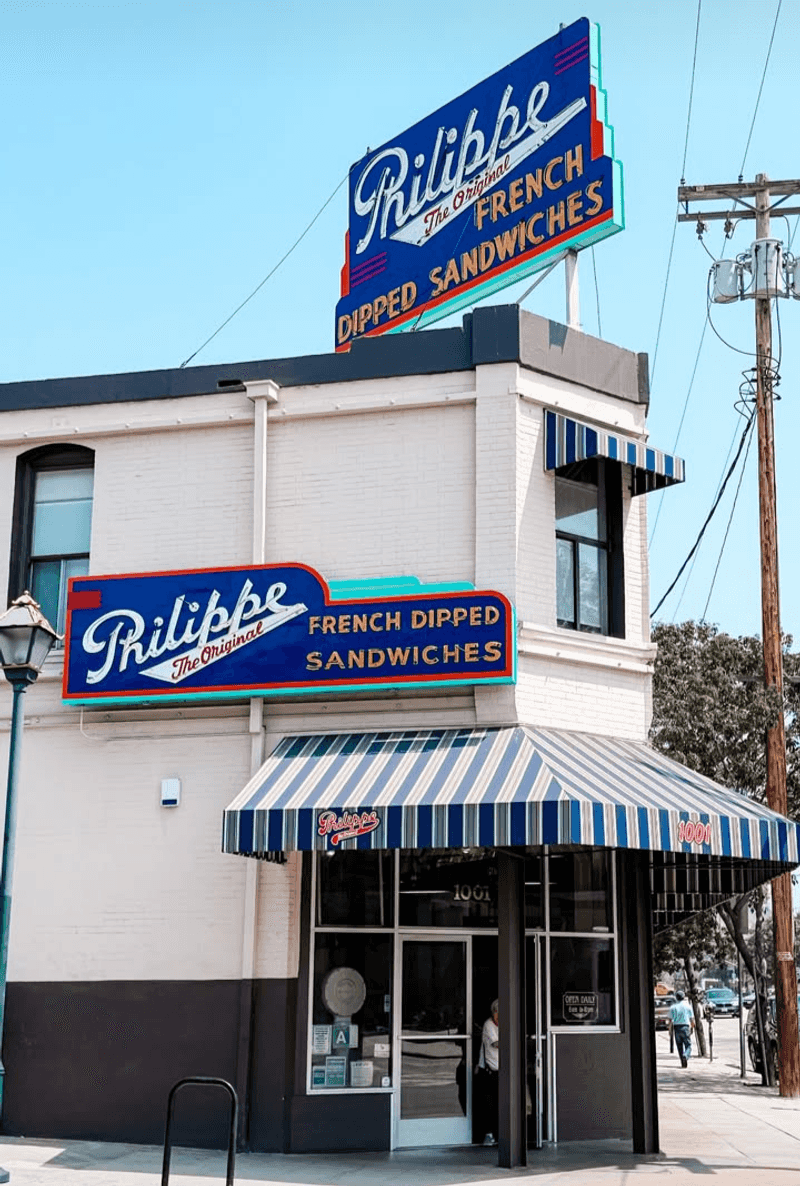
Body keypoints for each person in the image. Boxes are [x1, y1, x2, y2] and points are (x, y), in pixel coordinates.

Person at [479, 999, 499, 1146]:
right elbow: (496, 1043)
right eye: (497, 1012)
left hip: (503, 1071)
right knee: (489, 1105)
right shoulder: (488, 1025)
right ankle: (489, 1135)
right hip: (491, 1071)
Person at [669, 990, 695, 1067]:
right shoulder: (688, 1006)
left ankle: (682, 1062)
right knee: (688, 1045)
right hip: (685, 1027)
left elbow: (670, 1020)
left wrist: (670, 1030)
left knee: (679, 1046)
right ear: (683, 997)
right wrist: (692, 1027)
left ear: (676, 998)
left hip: (676, 1027)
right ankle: (686, 1056)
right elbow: (692, 1019)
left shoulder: (673, 1007)